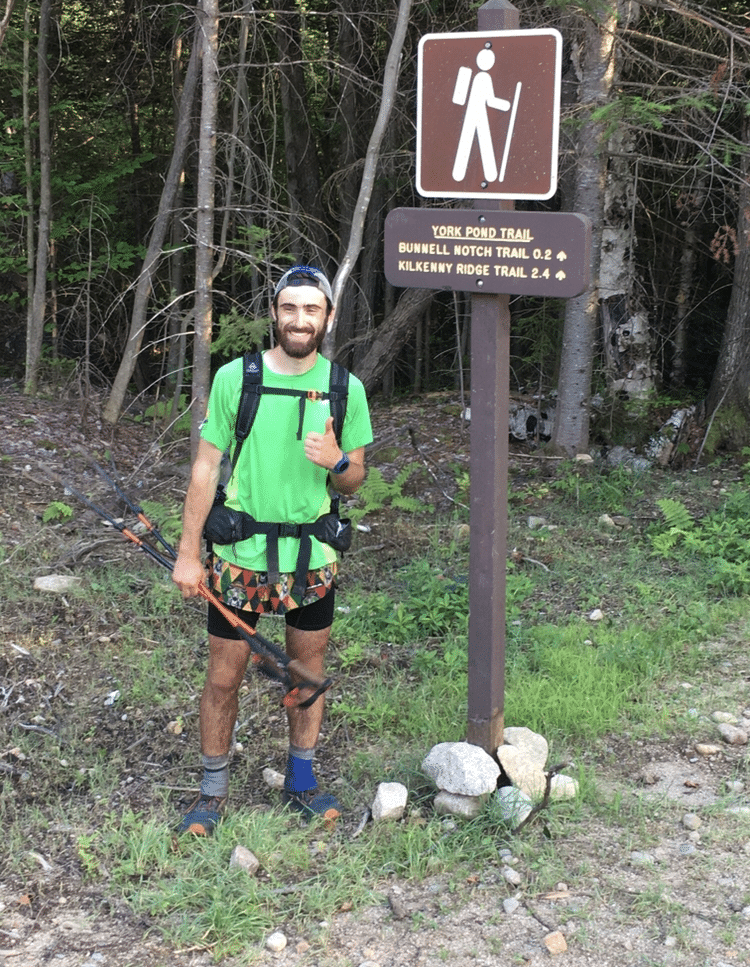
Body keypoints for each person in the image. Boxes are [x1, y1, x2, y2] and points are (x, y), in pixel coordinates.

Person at [172, 265, 372, 836]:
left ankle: (301, 784)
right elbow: (206, 467)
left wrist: (336, 460)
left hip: (313, 560)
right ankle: (212, 793)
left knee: (307, 672)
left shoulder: (345, 388)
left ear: (328, 319)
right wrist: (189, 553)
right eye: (290, 308)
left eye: (311, 310)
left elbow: (354, 477)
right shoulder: (238, 378)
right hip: (241, 557)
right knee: (223, 677)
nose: (299, 319)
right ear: (275, 314)